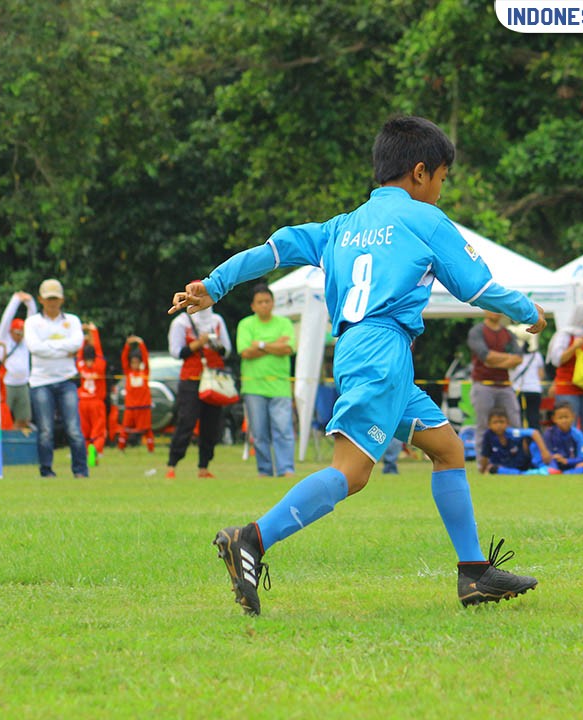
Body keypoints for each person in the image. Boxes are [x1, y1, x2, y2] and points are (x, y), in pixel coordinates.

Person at [169, 116, 546, 615]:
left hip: (357, 351)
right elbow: (477, 288)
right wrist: (529, 312)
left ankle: (474, 573)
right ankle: (251, 539)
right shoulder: (426, 221)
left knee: (448, 448)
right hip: (383, 353)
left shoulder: (339, 228)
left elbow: (270, 252)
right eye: (441, 179)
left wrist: (213, 285)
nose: (440, 190)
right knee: (353, 472)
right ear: (419, 173)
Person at [24, 279, 88, 478]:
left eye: (55, 298)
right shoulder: (32, 322)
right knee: (45, 430)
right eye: (48, 298)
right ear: (41, 299)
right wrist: (63, 348)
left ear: (62, 299)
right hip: (40, 381)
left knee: (74, 429)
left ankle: (80, 471)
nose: (52, 302)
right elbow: (34, 347)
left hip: (67, 379)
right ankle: (46, 471)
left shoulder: (73, 320)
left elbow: (77, 344)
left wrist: (48, 347)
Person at [166, 306, 233, 479]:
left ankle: (204, 466)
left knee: (211, 424)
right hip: (191, 380)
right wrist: (198, 344)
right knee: (186, 421)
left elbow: (226, 351)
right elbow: (176, 352)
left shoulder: (217, 320)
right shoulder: (181, 322)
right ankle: (172, 465)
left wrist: (213, 343)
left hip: (212, 380)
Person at [237, 283, 296, 477]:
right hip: (254, 386)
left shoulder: (284, 323)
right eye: (260, 302)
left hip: (280, 386)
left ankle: (286, 469)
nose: (264, 305)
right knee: (259, 432)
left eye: (267, 301)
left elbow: (288, 348)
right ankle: (264, 470)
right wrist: (275, 345)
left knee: (283, 430)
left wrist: (260, 344)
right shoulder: (246, 324)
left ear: (273, 303)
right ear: (253, 306)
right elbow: (245, 352)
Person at [467, 311, 523, 464]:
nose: (496, 312)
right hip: (483, 385)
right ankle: (483, 464)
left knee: (515, 422)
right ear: (485, 310)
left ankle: (517, 461)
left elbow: (518, 358)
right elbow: (485, 356)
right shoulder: (477, 331)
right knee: (483, 425)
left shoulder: (507, 333)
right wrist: (507, 358)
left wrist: (495, 360)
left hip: (505, 385)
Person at [546, 300, 583, 442]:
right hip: (568, 387)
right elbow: (557, 360)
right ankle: (568, 459)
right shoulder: (565, 335)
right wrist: (573, 348)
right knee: (568, 425)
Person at [0, 291, 38, 430]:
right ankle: (4, 443)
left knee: (24, 418)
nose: (20, 336)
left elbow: (32, 320)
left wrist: (30, 302)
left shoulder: (25, 342)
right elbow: (6, 319)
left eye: (22, 333)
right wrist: (15, 300)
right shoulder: (4, 339)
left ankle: (15, 441)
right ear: (11, 331)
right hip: (7, 384)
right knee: (3, 417)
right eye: (17, 333)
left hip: (23, 384)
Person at [478, 408, 551, 476]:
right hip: (503, 466)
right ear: (489, 425)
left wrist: (544, 451)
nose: (499, 425)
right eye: (495, 422)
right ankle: (525, 473)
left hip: (520, 463)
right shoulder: (488, 436)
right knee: (493, 469)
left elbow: (534, 433)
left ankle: (541, 467)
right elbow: (485, 455)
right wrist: (482, 470)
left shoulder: (512, 433)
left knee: (532, 443)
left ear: (507, 423)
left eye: (502, 422)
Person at [76, 322, 108, 466]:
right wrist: (94, 331)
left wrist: (83, 338)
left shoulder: (81, 365)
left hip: (82, 401)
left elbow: (78, 354)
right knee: (99, 432)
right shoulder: (99, 365)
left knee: (85, 431)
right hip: (96, 402)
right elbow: (99, 351)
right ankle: (95, 449)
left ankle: (87, 454)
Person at [119, 335, 156, 454]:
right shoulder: (128, 372)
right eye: (132, 362)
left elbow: (146, 358)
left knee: (147, 429)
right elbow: (123, 359)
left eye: (137, 362)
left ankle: (150, 450)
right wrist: (127, 345)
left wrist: (141, 343)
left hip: (143, 406)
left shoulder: (144, 372)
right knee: (125, 429)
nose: (134, 364)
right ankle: (121, 448)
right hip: (130, 407)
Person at [543, 401, 583, 474]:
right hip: (555, 464)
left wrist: (567, 461)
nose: (564, 420)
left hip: (572, 464)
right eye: (560, 418)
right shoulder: (549, 433)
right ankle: (556, 471)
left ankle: (566, 473)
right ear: (554, 419)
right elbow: (546, 454)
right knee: (550, 464)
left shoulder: (577, 434)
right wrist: (555, 457)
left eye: (566, 417)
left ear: (573, 417)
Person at [510, 325, 545, 431]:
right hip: (534, 390)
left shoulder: (512, 355)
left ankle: (521, 444)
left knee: (518, 420)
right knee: (533, 420)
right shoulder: (536, 355)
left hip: (517, 390)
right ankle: (534, 445)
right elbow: (541, 375)